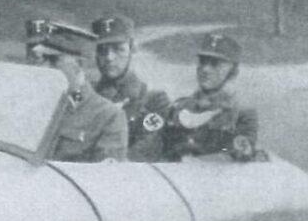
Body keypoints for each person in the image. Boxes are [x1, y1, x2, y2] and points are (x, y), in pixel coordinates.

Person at [25, 19, 129, 162]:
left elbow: (106, 174)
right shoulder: (29, 106)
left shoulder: (108, 116)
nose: (45, 67)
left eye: (54, 60)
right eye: (42, 59)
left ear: (79, 65)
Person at [160, 33, 258, 162]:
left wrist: (243, 149)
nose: (205, 69)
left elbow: (243, 153)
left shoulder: (241, 113)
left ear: (233, 72)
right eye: (202, 62)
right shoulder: (180, 106)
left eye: (215, 64)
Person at [91, 15, 172, 162]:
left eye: (118, 49)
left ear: (131, 49)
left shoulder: (153, 100)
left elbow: (146, 151)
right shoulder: (87, 95)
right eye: (102, 50)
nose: (109, 57)